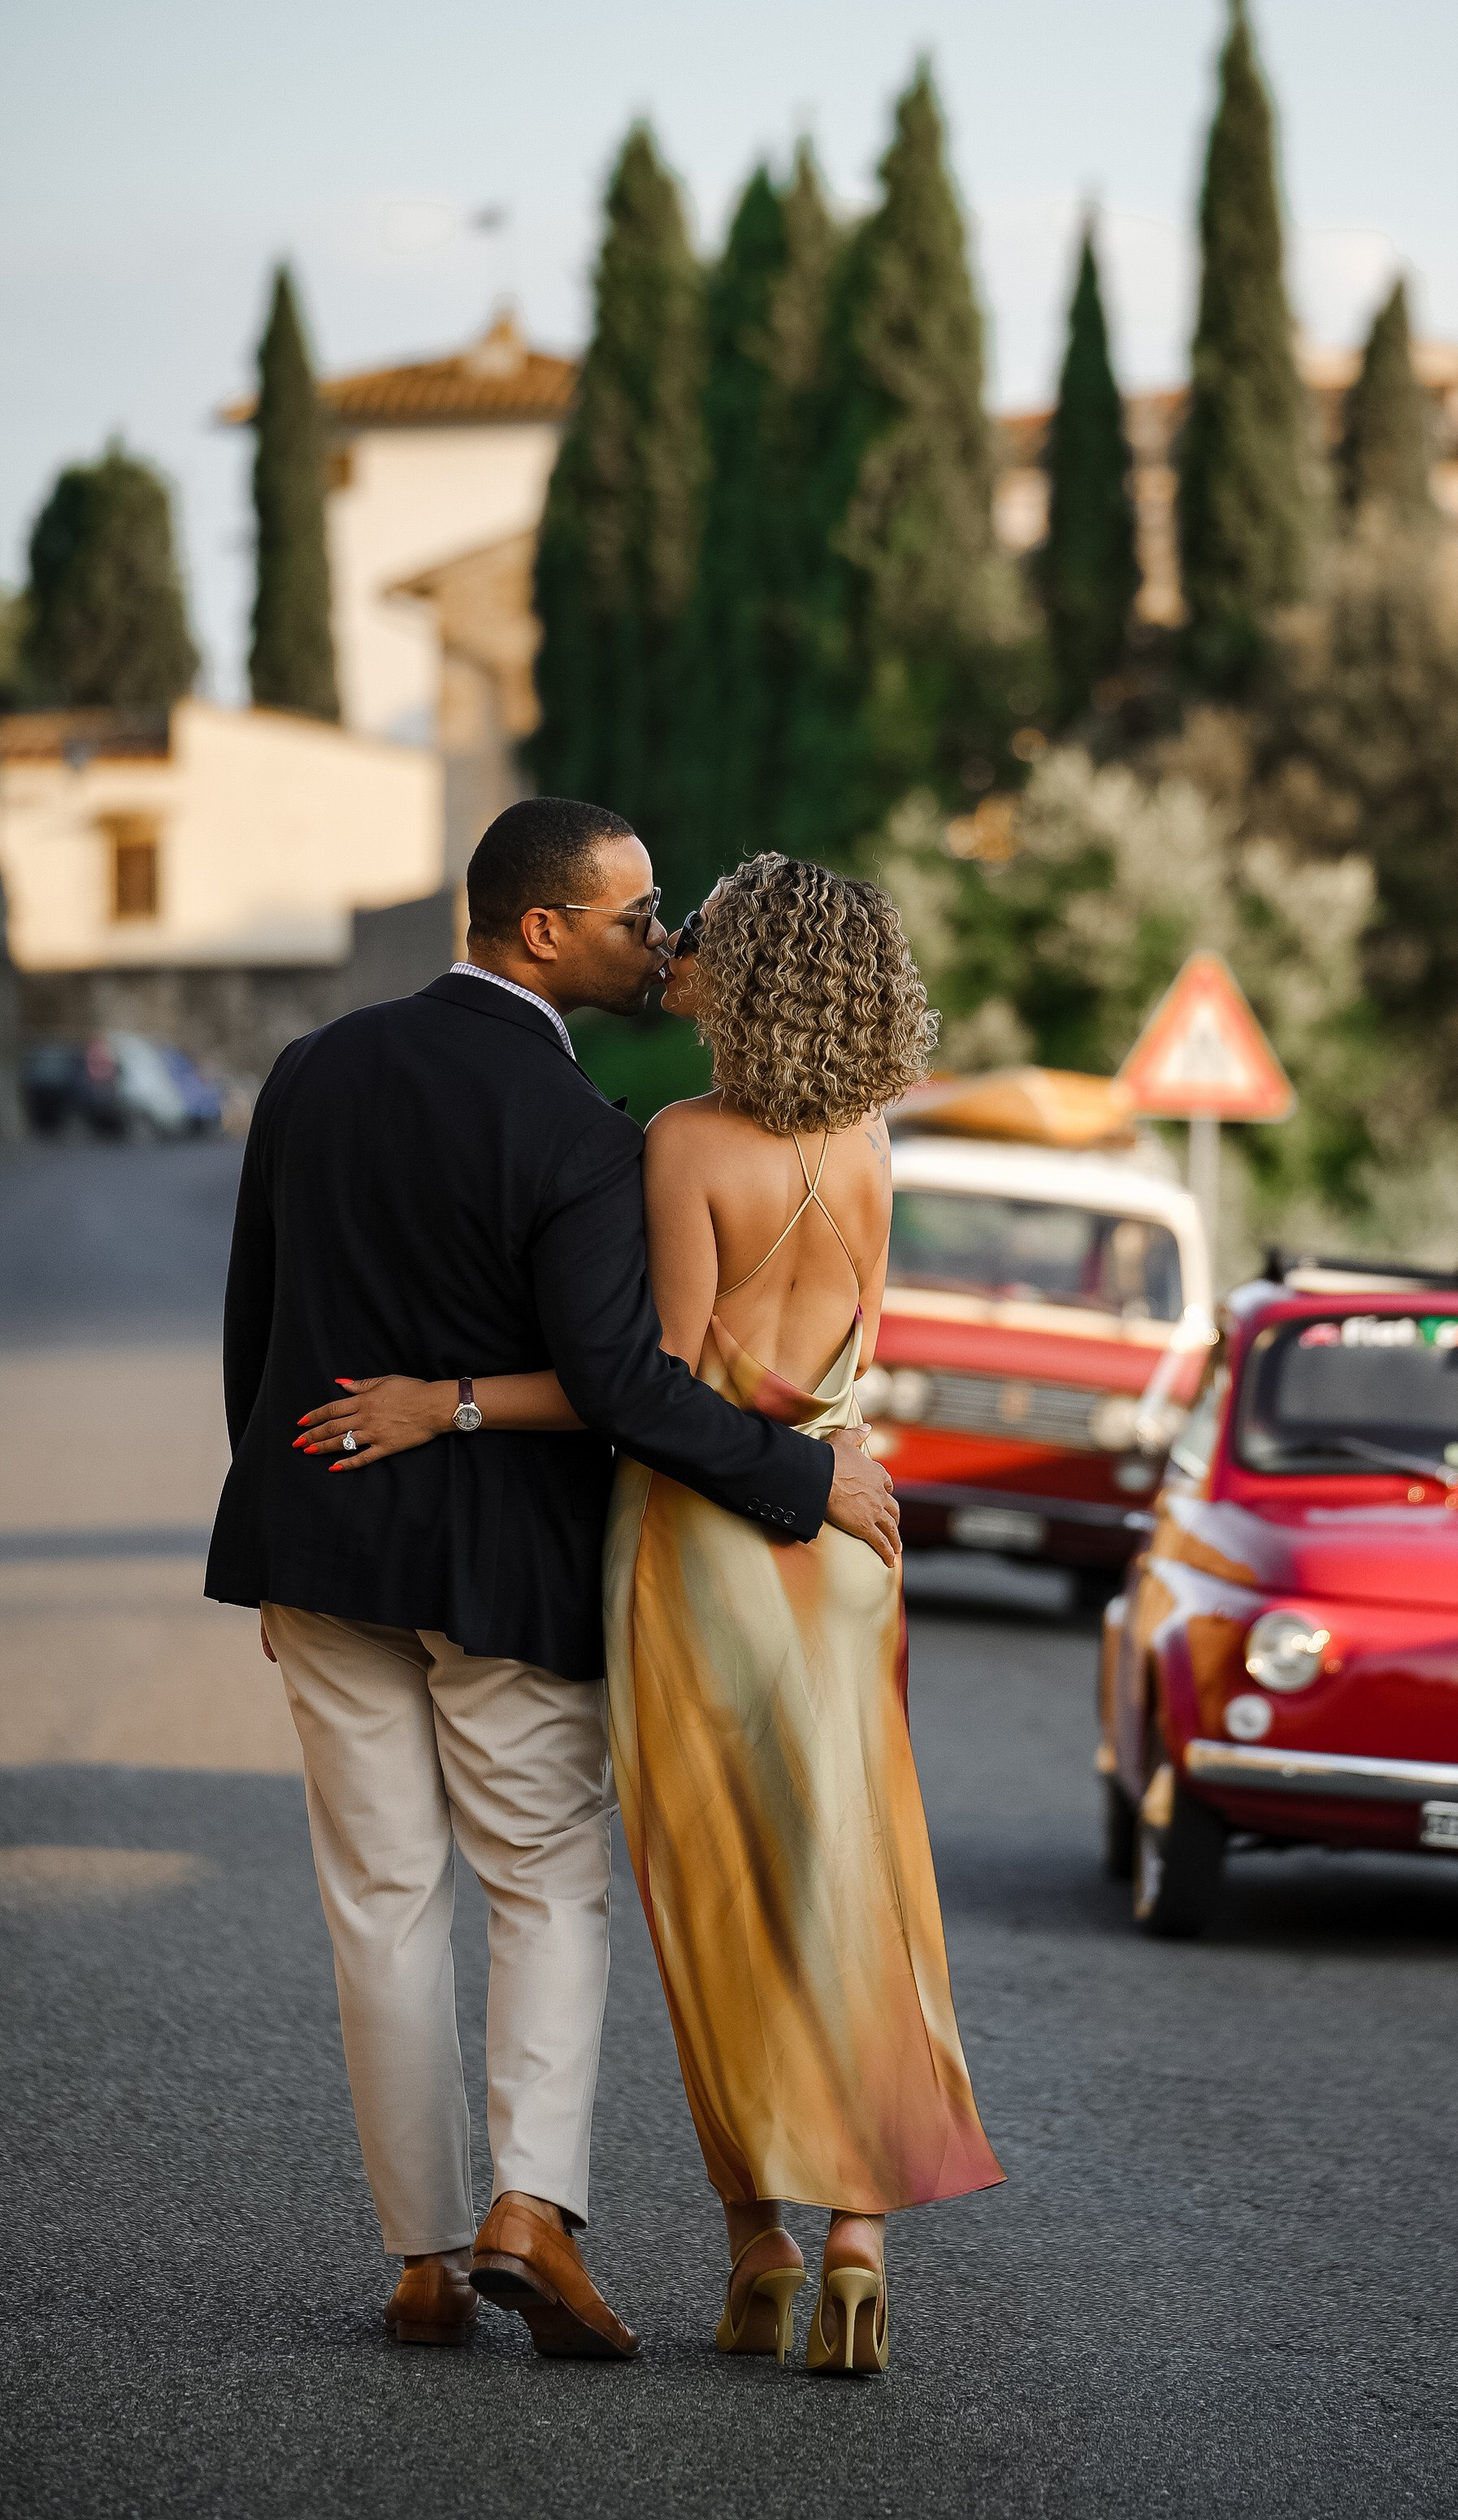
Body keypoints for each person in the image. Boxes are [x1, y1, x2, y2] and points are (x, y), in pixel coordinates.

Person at [206, 800, 900, 2361]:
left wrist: (270, 1530)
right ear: (542, 929)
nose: (658, 940)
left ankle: (425, 2262)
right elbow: (623, 1384)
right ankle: (531, 2209)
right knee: (543, 1886)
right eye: (635, 916)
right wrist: (809, 1481)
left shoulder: (312, 1069)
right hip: (506, 1569)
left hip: (320, 1538)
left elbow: (256, 1323)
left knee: (379, 1901)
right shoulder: (587, 1135)